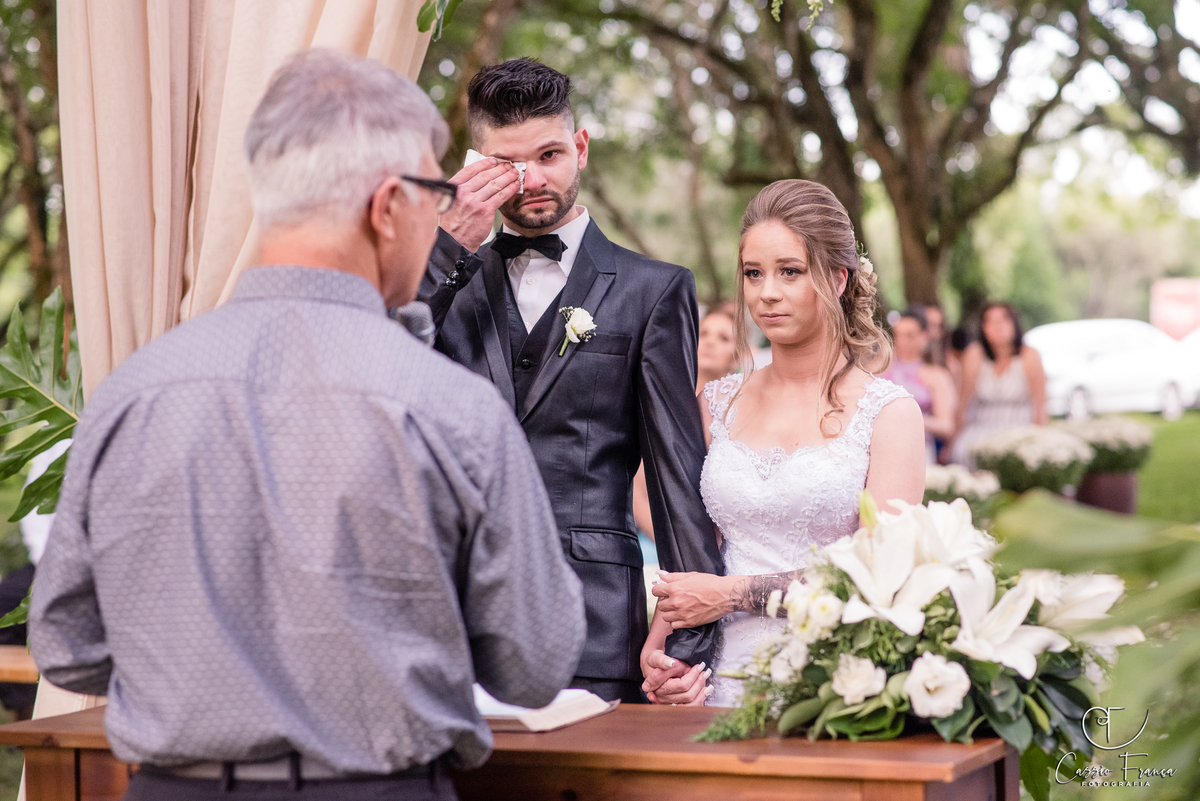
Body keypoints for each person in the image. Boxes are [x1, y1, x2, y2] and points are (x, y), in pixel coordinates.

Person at [29, 50, 585, 801]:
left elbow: (64, 641)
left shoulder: (134, 391)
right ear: (389, 206)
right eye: (434, 192)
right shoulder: (448, 407)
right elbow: (535, 661)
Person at [419, 58, 723, 703]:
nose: (534, 180)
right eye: (510, 163)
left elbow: (677, 481)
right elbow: (372, 370)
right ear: (477, 167)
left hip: (596, 622)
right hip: (451, 622)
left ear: (579, 148)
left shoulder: (654, 290)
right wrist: (442, 250)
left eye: (550, 154)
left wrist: (690, 650)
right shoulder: (447, 283)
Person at [642, 180, 926, 706]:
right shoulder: (715, 403)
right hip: (717, 684)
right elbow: (694, 549)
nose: (765, 293)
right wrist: (663, 656)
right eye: (753, 274)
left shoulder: (888, 415)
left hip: (830, 688)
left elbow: (880, 578)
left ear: (838, 278)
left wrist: (728, 595)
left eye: (789, 272)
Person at [632, 305, 740, 540]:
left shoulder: (740, 416)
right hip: (659, 543)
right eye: (704, 334)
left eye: (723, 338)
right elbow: (638, 492)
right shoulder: (663, 403)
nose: (710, 342)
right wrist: (677, 552)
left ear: (737, 357)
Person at [950, 301, 1048, 468]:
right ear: (983, 327)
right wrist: (952, 441)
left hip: (1020, 431)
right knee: (964, 453)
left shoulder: (1030, 356)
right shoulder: (974, 355)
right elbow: (962, 405)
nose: (998, 327)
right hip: (981, 430)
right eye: (991, 321)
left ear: (1014, 324)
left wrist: (1040, 441)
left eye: (1003, 320)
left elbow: (1040, 405)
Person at [882, 307, 957, 464]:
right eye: (898, 335)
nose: (902, 341)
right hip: (881, 443)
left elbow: (946, 425)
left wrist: (910, 417)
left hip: (917, 447)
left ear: (924, 336)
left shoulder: (936, 375)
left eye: (909, 335)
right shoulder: (879, 369)